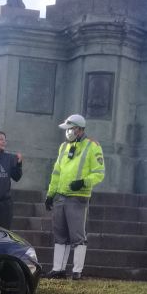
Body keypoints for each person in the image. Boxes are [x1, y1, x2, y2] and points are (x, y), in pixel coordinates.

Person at [44, 114, 105, 280]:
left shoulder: (93, 146)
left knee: (77, 235)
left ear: (79, 129)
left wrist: (83, 182)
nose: (68, 132)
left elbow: (99, 173)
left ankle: (77, 271)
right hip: (60, 196)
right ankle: (58, 269)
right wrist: (50, 194)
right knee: (60, 234)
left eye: (71, 128)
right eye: (67, 129)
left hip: (78, 196)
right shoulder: (63, 147)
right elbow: (56, 173)